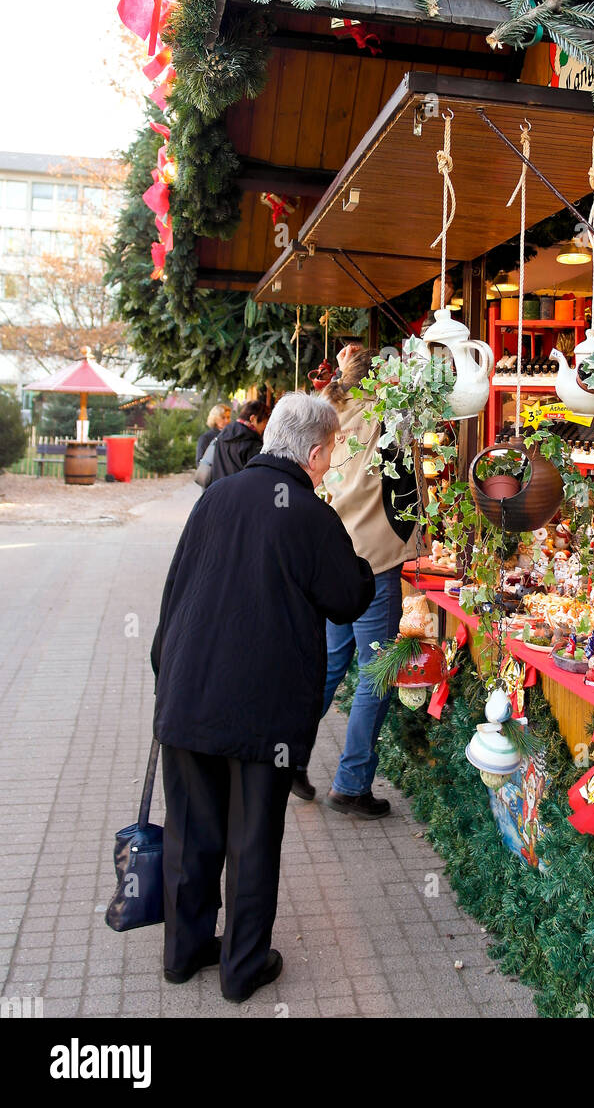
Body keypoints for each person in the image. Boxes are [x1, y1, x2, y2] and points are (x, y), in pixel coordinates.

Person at [150, 392, 375, 1002]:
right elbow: (350, 596)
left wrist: (162, 677)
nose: (329, 467)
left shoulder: (217, 496)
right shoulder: (306, 512)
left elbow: (176, 590)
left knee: (191, 830)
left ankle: (184, 951)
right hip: (262, 713)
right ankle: (242, 967)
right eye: (329, 456)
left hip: (188, 692)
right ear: (316, 450)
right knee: (251, 841)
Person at [296, 344, 419, 818]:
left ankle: (290, 757)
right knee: (374, 676)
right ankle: (351, 783)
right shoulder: (386, 411)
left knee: (330, 662)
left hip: (333, 557)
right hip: (373, 561)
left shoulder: (327, 412)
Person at [210, 399, 269, 482]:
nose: (265, 427)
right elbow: (257, 478)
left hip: (220, 490)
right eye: (264, 422)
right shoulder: (252, 442)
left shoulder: (223, 434)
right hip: (241, 493)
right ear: (253, 419)